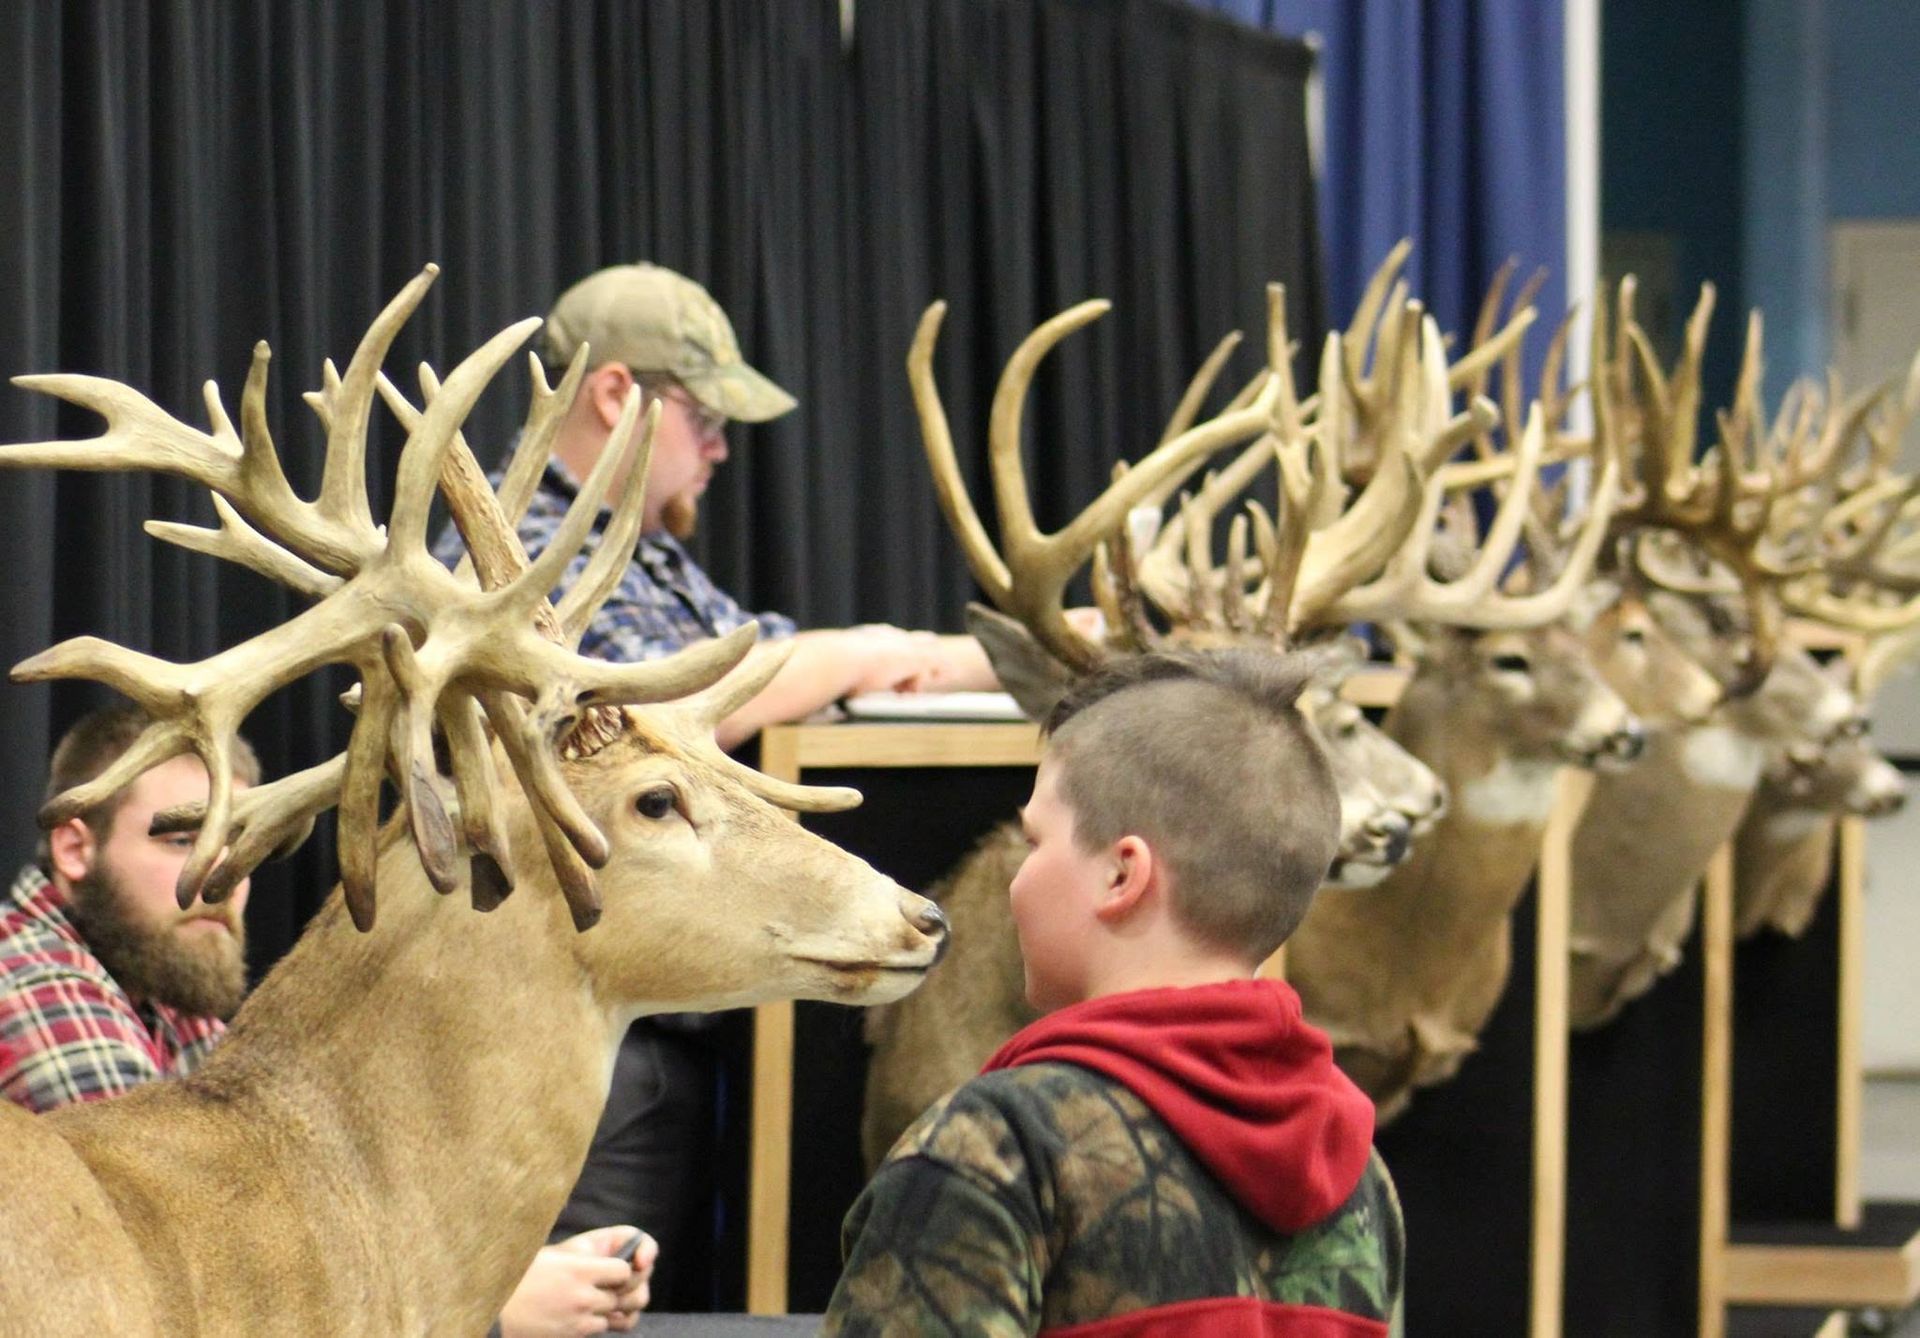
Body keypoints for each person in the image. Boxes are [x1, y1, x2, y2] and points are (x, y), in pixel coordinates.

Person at [433, 261, 998, 1308]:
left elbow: (766, 653)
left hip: (655, 1029)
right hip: (558, 1044)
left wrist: (970, 657)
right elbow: (657, 712)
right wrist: (862, 648)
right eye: (703, 417)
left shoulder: (637, 550)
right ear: (613, 395)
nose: (722, 448)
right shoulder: (514, 554)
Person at [0, 704, 655, 1337]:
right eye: (181, 840)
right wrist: (494, 1306)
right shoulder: (32, 981)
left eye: (239, 848)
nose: (220, 882)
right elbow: (180, 1256)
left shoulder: (163, 985)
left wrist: (516, 1267)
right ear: (74, 848)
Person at [822, 649, 1405, 1336]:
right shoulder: (1361, 1174)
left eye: (1033, 841)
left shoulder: (992, 1147)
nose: (1018, 877)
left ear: (1121, 875)